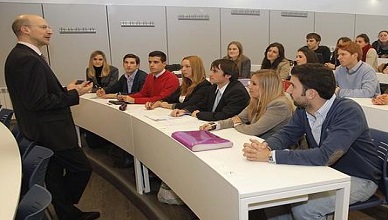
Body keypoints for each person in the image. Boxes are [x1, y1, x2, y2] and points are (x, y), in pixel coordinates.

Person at [242, 63, 381, 220]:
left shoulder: (348, 111)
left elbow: (326, 156)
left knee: (305, 210)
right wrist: (263, 147)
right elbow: (287, 134)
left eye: (293, 86)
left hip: (358, 178)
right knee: (273, 197)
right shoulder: (304, 109)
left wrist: (270, 156)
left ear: (311, 94)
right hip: (325, 172)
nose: (288, 90)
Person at [4, 14, 100, 220]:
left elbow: (36, 94)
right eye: (44, 27)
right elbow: (39, 102)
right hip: (52, 132)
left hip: (42, 130)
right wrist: (75, 95)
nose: (50, 31)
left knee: (54, 177)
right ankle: (64, 204)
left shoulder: (22, 56)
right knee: (82, 169)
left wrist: (67, 89)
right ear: (25, 30)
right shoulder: (27, 59)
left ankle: (67, 213)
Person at [199, 69, 293, 139]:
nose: (249, 86)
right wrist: (215, 125)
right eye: (250, 82)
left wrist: (237, 124)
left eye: (254, 84)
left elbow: (253, 130)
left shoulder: (280, 105)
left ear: (267, 87)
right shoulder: (257, 100)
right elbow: (239, 118)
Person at [171, 59, 250, 121]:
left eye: (215, 71)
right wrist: (185, 111)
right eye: (211, 70)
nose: (210, 74)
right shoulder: (213, 87)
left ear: (228, 75)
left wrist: (199, 114)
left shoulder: (237, 92)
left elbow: (225, 115)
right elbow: (202, 105)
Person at [145, 55, 211, 110]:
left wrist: (168, 106)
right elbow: (170, 98)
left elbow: (190, 104)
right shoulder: (186, 84)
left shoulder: (204, 85)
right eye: (182, 67)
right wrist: (157, 102)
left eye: (187, 66)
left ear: (196, 68)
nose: (183, 69)